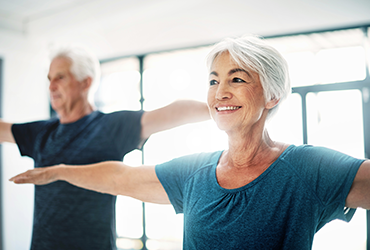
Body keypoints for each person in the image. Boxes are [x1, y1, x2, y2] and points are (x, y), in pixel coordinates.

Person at [10, 35, 370, 250]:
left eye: (237, 79)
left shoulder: (307, 169)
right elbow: (121, 177)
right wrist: (58, 171)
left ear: (273, 96)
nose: (221, 91)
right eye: (213, 81)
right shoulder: (196, 171)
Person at [0, 46, 210, 250]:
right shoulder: (42, 133)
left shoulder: (109, 127)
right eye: (49, 79)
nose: (51, 86)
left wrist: (222, 109)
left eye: (60, 77)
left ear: (86, 82)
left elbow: (172, 112)